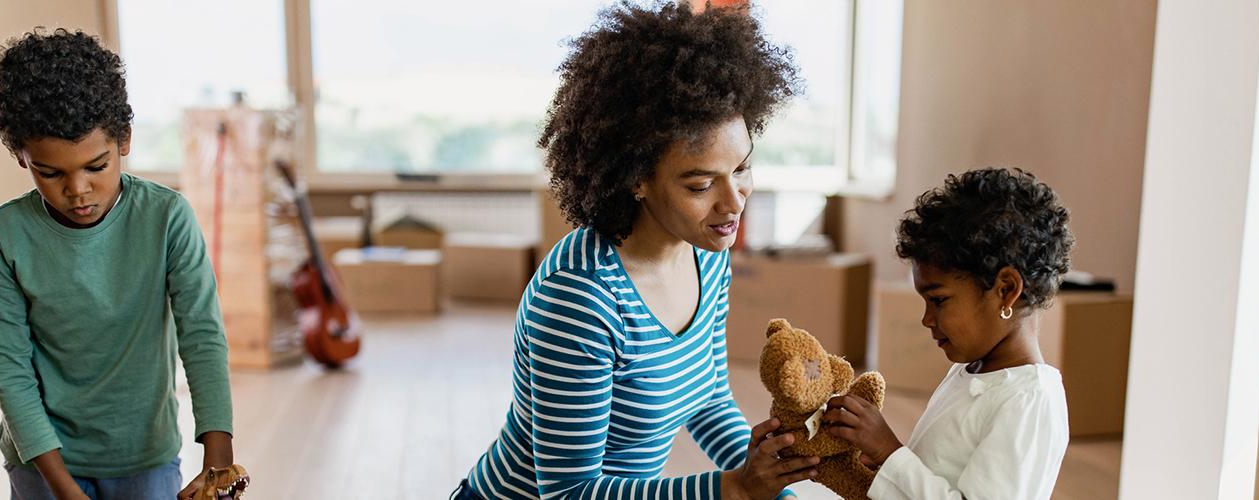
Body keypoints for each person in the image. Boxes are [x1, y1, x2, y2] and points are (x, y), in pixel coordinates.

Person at [454, 2, 812, 499]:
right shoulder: (580, 298)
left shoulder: (708, 254)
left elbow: (706, 398)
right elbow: (570, 492)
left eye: (743, 169)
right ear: (637, 179)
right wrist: (732, 489)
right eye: (700, 184)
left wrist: (778, 492)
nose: (733, 204)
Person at [0, 28, 234, 500]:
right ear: (21, 156)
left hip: (143, 458)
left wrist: (218, 460)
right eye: (50, 173)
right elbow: (9, 369)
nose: (77, 190)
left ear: (124, 140)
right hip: (42, 465)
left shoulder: (167, 218)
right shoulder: (4, 237)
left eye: (96, 166)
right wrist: (63, 488)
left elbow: (201, 336)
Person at [823, 168, 1074, 499]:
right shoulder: (971, 371)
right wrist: (882, 465)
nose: (927, 319)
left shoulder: (1029, 401)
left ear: (1006, 289)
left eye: (938, 300)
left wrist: (890, 453)